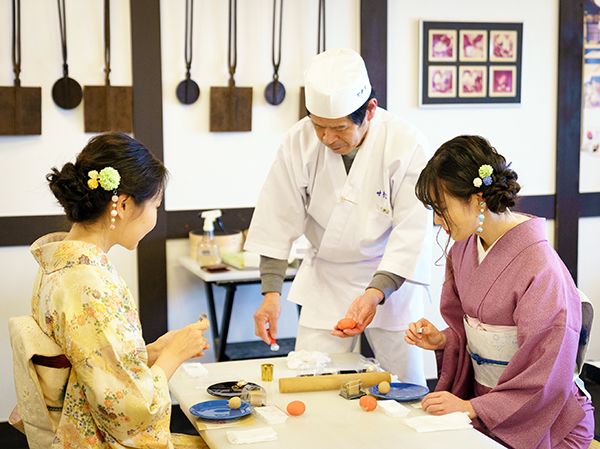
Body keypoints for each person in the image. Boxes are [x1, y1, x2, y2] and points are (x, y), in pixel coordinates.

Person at [245, 48, 432, 385]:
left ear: (370, 111)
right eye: (319, 127)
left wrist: (375, 292)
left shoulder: (406, 144)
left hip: (391, 279)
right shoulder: (298, 142)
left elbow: (412, 231)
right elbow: (276, 215)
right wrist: (270, 293)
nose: (327, 138)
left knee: (405, 387)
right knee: (312, 377)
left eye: (339, 128)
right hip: (328, 280)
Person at [405, 135, 594, 448]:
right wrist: (446, 339)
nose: (438, 221)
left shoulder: (540, 266)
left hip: (548, 421)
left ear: (478, 198)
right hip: (488, 412)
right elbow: (476, 332)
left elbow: (547, 367)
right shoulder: (463, 250)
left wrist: (474, 407)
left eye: (441, 209)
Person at [32, 133, 209, 448]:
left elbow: (92, 359)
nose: (155, 216)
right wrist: (173, 355)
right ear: (124, 204)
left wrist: (151, 350)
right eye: (155, 204)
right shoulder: (87, 284)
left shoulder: (61, 262)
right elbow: (129, 409)